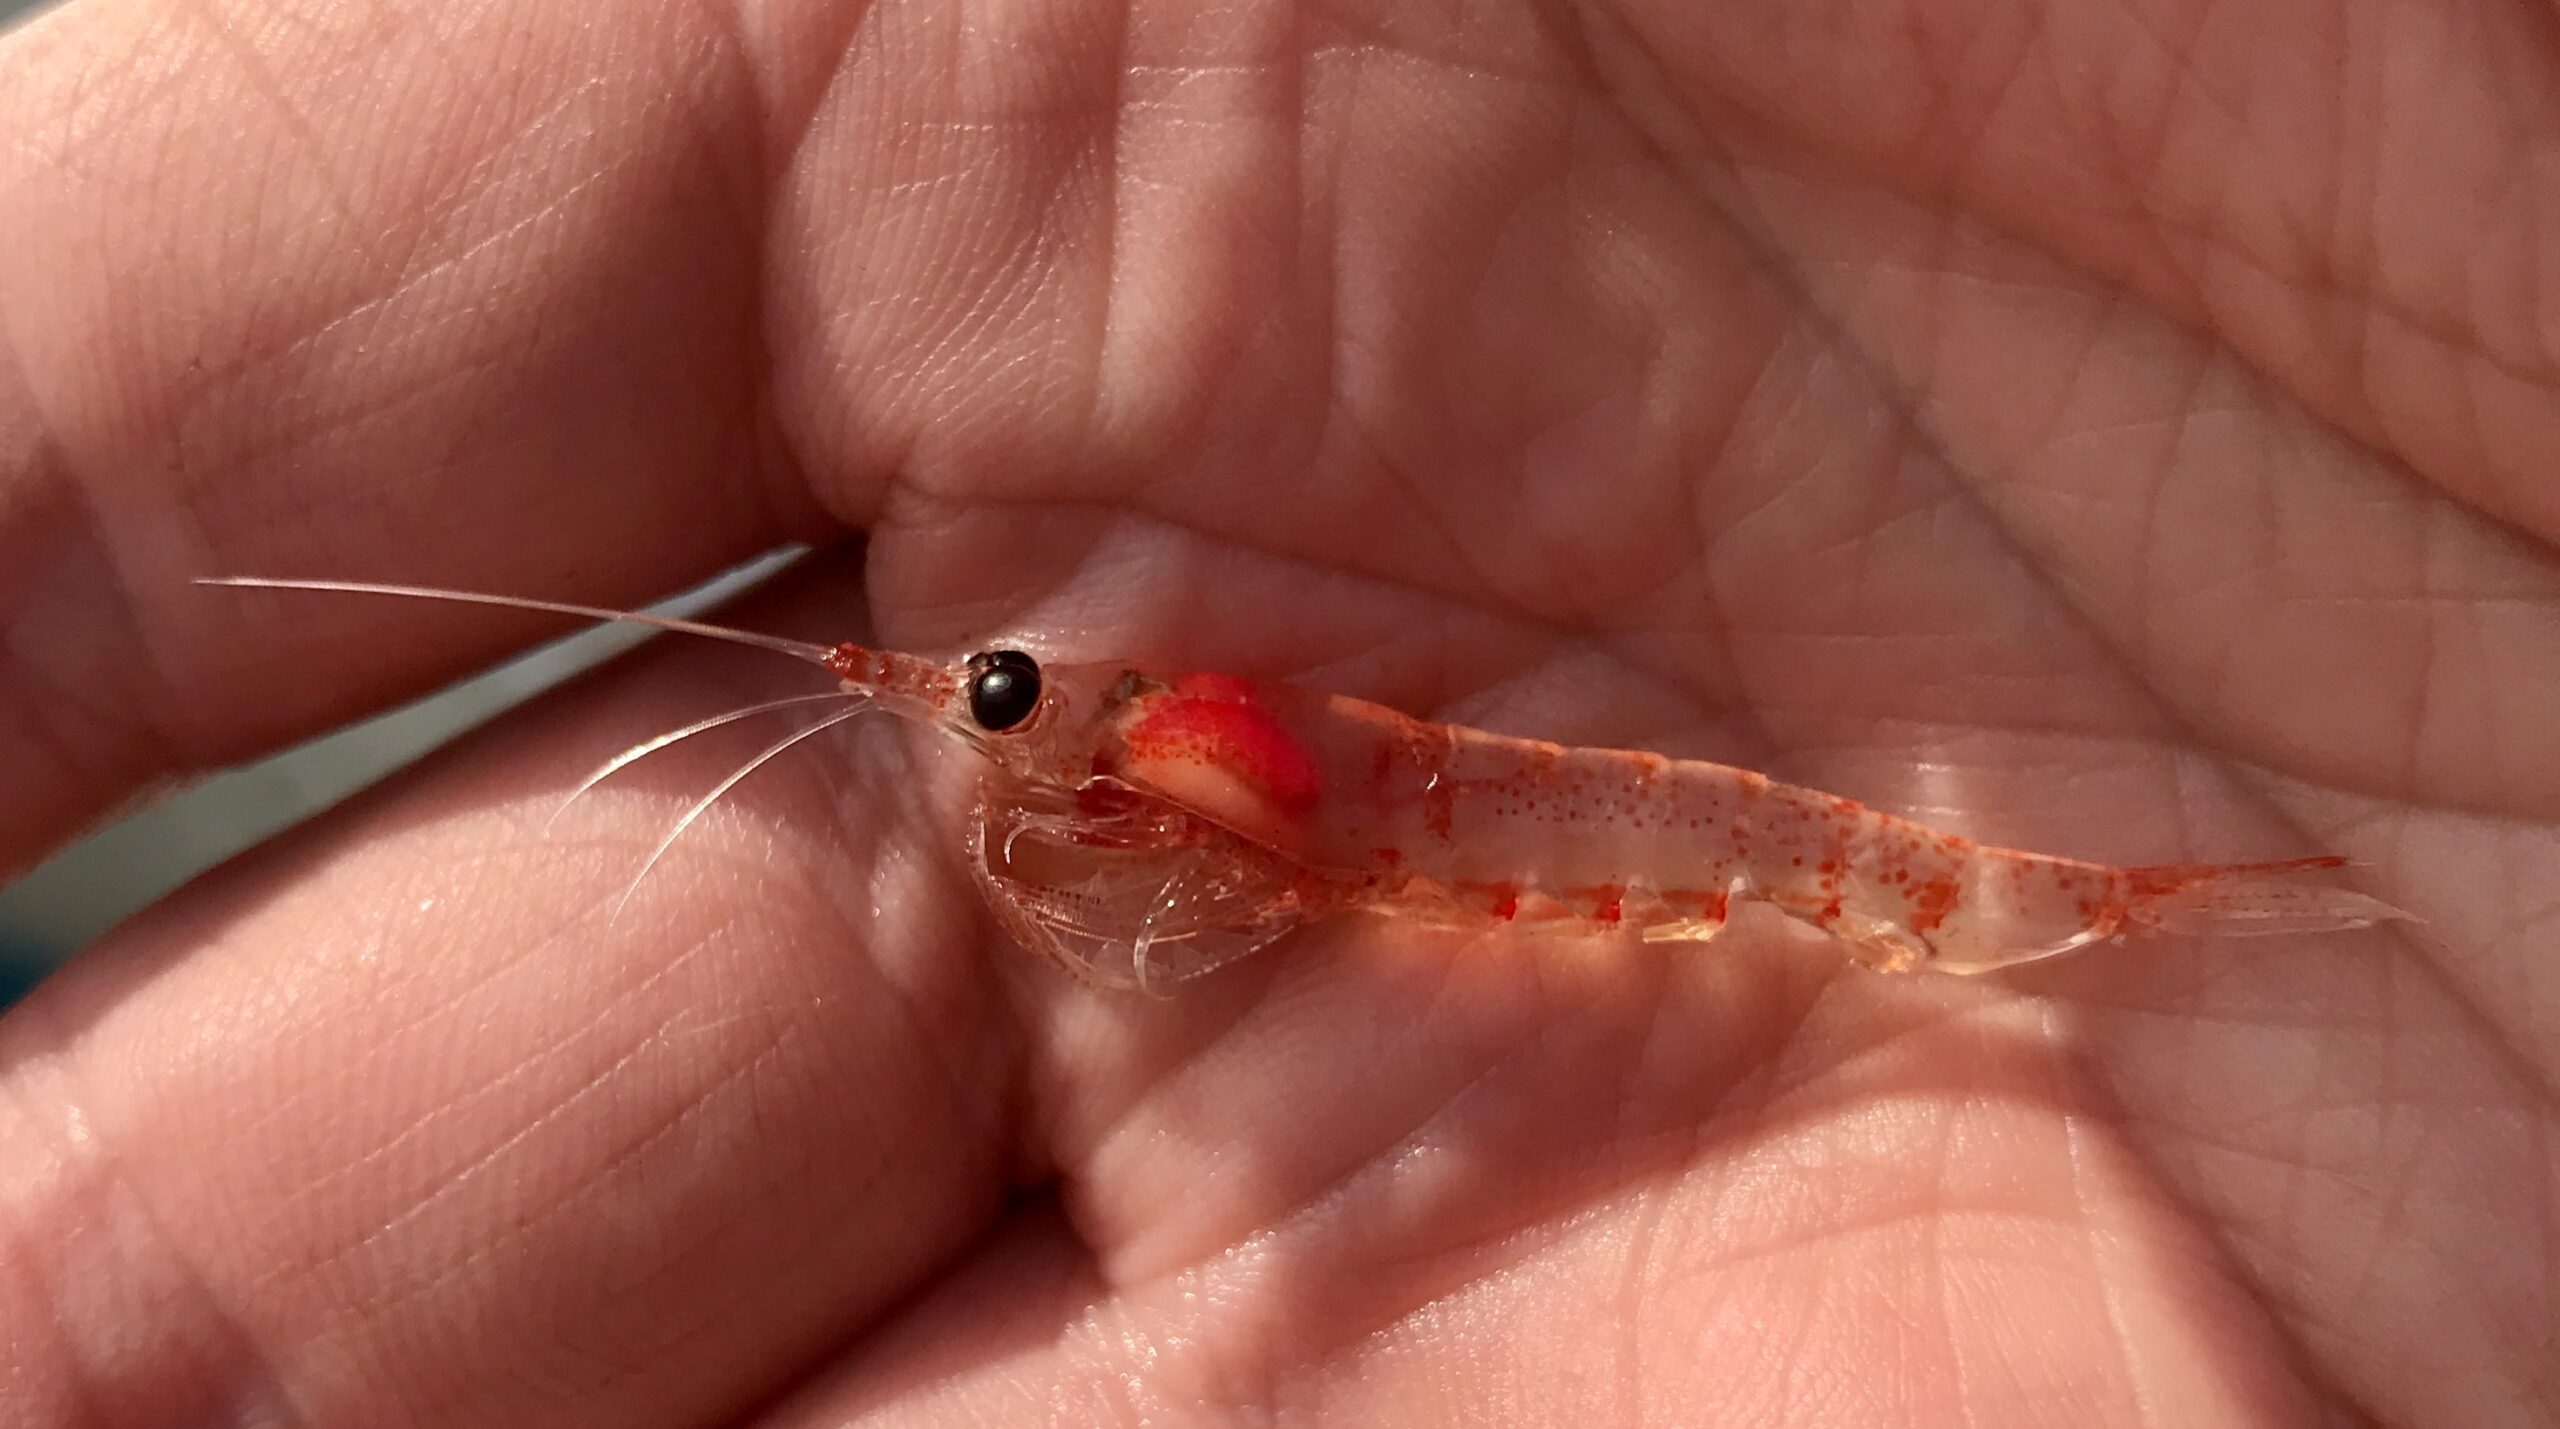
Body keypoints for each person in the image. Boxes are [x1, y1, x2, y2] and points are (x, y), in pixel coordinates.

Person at [0, 0, 2549, 1422]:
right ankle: (2064, 910)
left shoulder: (1191, 760)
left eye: (993, 697)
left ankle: (2057, 911)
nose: (958, 707)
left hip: (1618, 844)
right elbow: (1192, 888)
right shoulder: (1150, 746)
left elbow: (1193, 901)